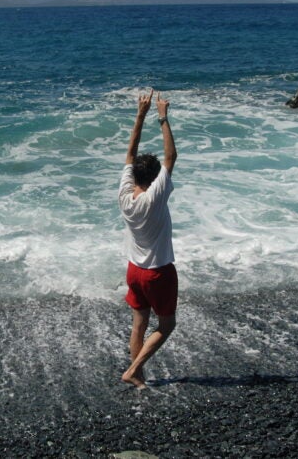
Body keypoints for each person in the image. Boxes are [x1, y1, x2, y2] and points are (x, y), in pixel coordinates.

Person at [118, 89, 178, 389]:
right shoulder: (155, 198)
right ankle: (134, 369)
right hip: (158, 272)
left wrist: (140, 114)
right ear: (155, 180)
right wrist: (162, 116)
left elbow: (130, 155)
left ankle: (137, 376)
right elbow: (171, 157)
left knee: (139, 324)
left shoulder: (125, 195)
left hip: (134, 270)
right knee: (166, 326)